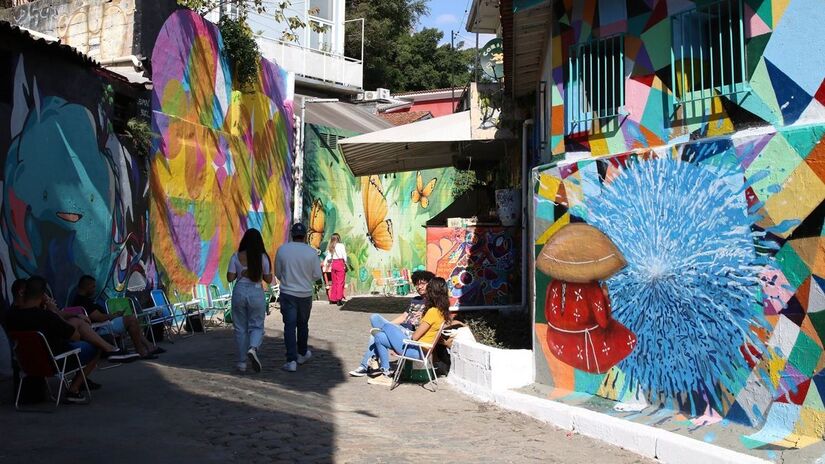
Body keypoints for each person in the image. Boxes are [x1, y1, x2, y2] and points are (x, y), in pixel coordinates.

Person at [5, 276, 99, 402]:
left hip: (27, 364)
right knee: (96, 348)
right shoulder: (47, 316)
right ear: (43, 295)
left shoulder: (10, 316)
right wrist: (54, 311)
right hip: (54, 363)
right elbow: (75, 336)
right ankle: (73, 389)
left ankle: (109, 349)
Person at [367, 276, 452, 386]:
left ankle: (379, 331)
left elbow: (415, 337)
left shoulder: (432, 312)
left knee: (388, 327)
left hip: (417, 350)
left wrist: (401, 338)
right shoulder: (441, 312)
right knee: (379, 337)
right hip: (421, 349)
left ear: (432, 293)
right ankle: (385, 374)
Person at [349, 270, 434, 377]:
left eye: (422, 284)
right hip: (399, 329)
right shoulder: (415, 300)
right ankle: (371, 364)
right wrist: (388, 327)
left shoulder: (433, 303)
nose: (419, 287)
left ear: (430, 284)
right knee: (375, 320)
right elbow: (403, 317)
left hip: (408, 334)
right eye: (417, 284)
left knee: (375, 335)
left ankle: (365, 366)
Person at [73, 275, 160, 360]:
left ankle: (149, 346)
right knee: (131, 319)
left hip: (103, 325)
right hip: (99, 328)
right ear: (87, 286)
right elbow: (99, 317)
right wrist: (115, 315)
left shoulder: (83, 299)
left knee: (132, 320)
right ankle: (142, 351)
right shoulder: (82, 301)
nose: (94, 289)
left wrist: (114, 315)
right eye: (93, 286)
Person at [275, 223, 323, 372]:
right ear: (305, 236)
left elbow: (277, 272)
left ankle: (291, 360)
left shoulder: (283, 250)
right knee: (303, 325)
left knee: (289, 326)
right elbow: (316, 275)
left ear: (292, 234)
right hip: (305, 293)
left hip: (288, 292)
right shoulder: (311, 252)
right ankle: (302, 352)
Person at [227, 228, 273, 373]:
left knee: (240, 328)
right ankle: (253, 348)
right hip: (256, 291)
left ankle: (241, 363)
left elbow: (230, 278)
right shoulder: (263, 257)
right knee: (257, 325)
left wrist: (242, 272)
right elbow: (269, 279)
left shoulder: (236, 256)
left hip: (239, 290)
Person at [323, 233, 348, 305]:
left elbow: (328, 257)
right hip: (340, 263)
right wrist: (345, 263)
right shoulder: (341, 245)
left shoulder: (331, 246)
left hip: (334, 264)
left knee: (334, 282)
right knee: (340, 282)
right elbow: (344, 255)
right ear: (339, 238)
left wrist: (324, 264)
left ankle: (332, 299)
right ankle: (339, 299)